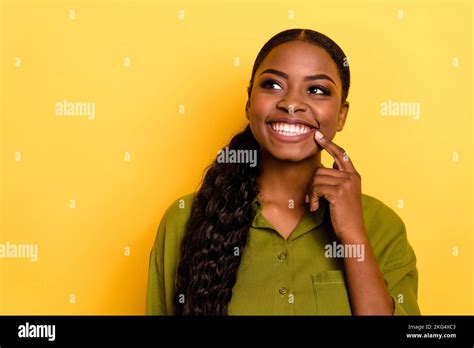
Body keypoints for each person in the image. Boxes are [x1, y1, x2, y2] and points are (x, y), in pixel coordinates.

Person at [146, 28, 421, 316]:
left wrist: (354, 237)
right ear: (249, 102)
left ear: (341, 115)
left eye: (317, 90)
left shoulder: (382, 227)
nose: (291, 103)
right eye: (273, 85)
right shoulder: (183, 220)